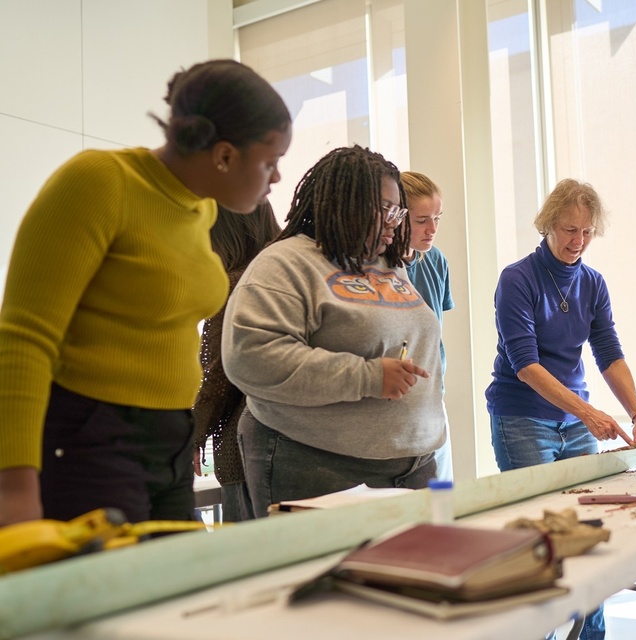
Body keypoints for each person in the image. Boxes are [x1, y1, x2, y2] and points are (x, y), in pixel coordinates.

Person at [0, 59, 292, 527]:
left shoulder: (197, 212)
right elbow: (22, 338)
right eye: (270, 162)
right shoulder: (100, 182)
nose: (276, 178)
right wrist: (14, 485)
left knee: (177, 592)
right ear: (223, 155)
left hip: (170, 437)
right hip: (91, 437)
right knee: (114, 594)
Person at [221, 145, 445, 518]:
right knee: (324, 577)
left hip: (414, 466)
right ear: (346, 203)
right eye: (386, 210)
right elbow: (252, 357)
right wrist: (368, 377)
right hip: (316, 464)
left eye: (398, 211)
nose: (395, 223)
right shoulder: (286, 263)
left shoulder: (388, 265)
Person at [485, 178, 636, 640]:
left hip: (574, 420)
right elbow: (526, 365)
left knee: (585, 533)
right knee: (541, 542)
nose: (578, 242)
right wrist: (590, 414)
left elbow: (609, 354)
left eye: (587, 232)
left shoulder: (593, 283)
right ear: (547, 225)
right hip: (522, 418)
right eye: (569, 229)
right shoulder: (517, 279)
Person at [193, 202, 281, 522]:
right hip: (301, 445)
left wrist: (194, 434)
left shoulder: (233, 284)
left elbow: (218, 376)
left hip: (243, 449)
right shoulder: (291, 274)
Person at [400, 171, 455, 481]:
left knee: (442, 495)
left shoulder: (436, 261)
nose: (432, 229)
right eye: (422, 220)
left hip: (434, 396)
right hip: (397, 402)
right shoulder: (379, 267)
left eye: (438, 218)